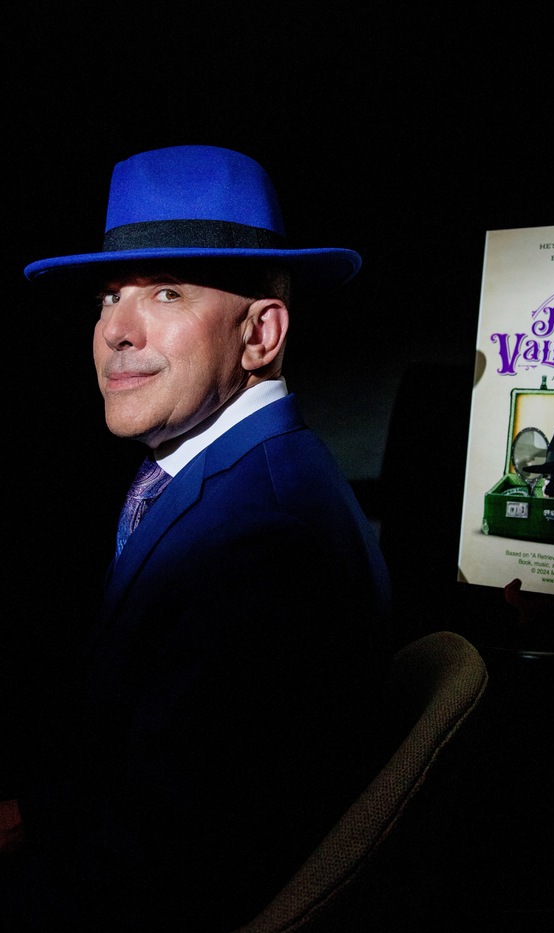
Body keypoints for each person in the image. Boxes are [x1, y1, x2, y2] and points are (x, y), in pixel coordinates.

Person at [1, 145, 392, 931]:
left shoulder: (262, 537)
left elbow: (158, 874)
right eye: (109, 297)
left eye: (167, 291)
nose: (115, 331)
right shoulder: (221, 477)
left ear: (261, 333)